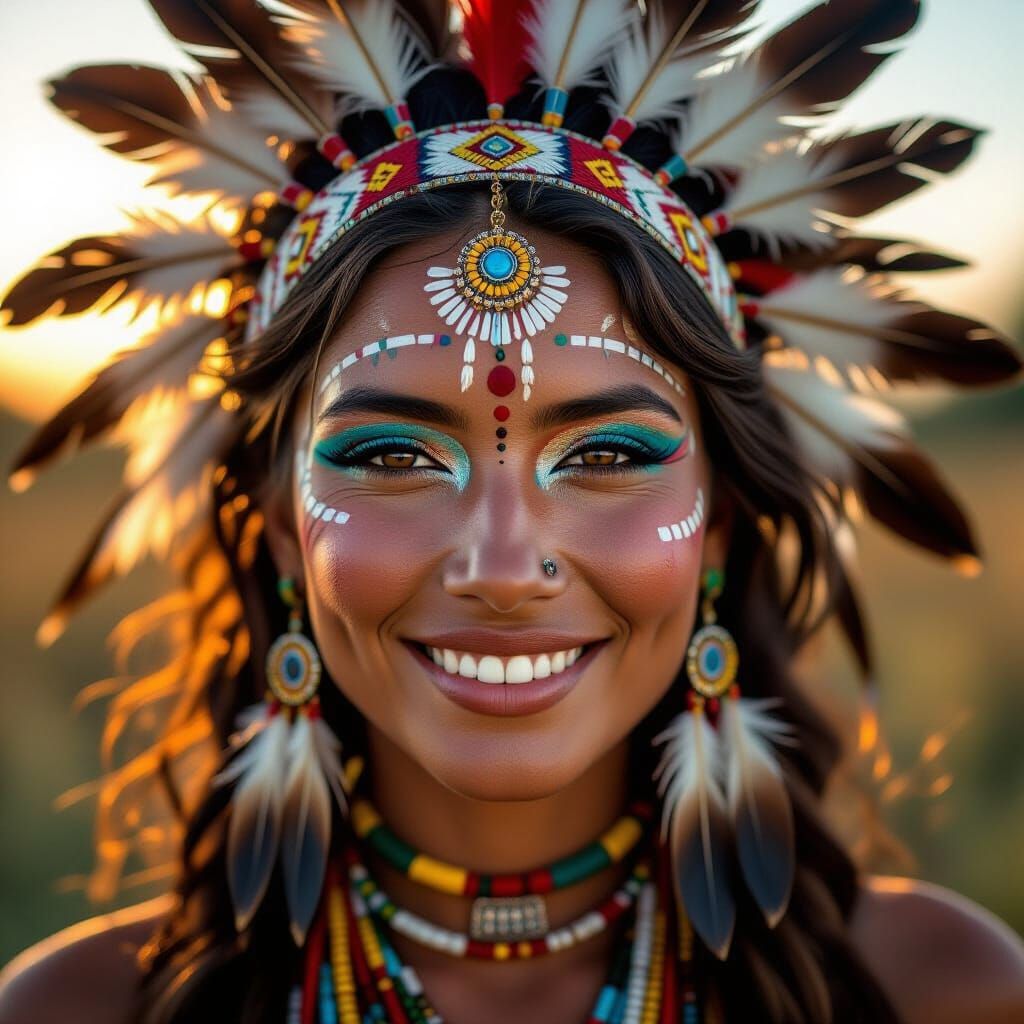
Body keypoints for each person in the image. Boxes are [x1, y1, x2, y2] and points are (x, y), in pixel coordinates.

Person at [1, 0, 1022, 1021]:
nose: (499, 562)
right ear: (280, 528)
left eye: (608, 454)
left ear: (715, 521)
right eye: (391, 453)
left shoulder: (942, 992)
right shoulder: (75, 1009)